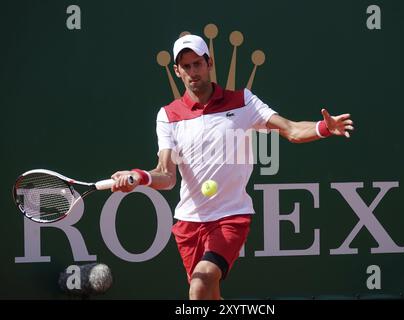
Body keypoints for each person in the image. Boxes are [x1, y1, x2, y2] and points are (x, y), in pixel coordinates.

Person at [111, 34, 354, 300]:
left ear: (209, 63)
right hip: (189, 223)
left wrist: (323, 128)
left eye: (197, 64)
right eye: (186, 66)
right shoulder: (168, 115)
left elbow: (292, 130)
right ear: (177, 70)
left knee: (200, 284)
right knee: (208, 295)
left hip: (231, 216)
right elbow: (167, 175)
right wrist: (140, 176)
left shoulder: (243, 102)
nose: (193, 72)